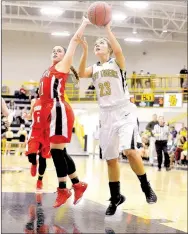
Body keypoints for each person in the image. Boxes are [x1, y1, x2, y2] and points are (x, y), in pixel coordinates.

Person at [78, 22, 157, 216]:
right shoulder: (94, 68)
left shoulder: (117, 62)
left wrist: (108, 31)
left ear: (110, 49)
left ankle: (146, 186)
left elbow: (119, 50)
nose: (98, 44)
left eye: (101, 43)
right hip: (106, 115)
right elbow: (80, 74)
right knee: (111, 160)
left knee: (130, 151)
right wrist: (86, 49)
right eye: (96, 43)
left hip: (124, 111)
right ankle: (116, 198)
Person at [38, 17, 89, 208]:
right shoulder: (49, 69)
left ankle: (63, 188)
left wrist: (83, 23)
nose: (55, 51)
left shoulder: (63, 66)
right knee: (61, 151)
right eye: (54, 50)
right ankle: (78, 184)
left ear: (65, 55)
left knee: (56, 151)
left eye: (59, 50)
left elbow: (74, 40)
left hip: (58, 109)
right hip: (50, 112)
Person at [23, 95, 49, 190]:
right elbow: (31, 116)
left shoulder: (51, 101)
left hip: (46, 132)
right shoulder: (34, 101)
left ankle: (40, 180)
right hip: (35, 130)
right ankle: (34, 163)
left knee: (43, 159)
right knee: (31, 154)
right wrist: (27, 116)